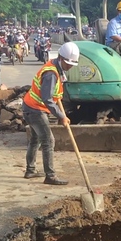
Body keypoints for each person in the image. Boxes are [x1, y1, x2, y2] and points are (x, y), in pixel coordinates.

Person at [22, 42, 79, 185]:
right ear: (60, 57)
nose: (69, 67)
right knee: (48, 140)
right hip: (35, 109)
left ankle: (30, 170)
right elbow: (47, 99)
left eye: (71, 64)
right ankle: (50, 176)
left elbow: (54, 94)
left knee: (35, 139)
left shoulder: (56, 67)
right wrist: (61, 116)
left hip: (30, 106)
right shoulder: (50, 73)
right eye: (67, 64)